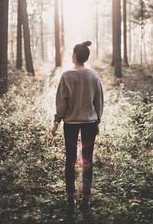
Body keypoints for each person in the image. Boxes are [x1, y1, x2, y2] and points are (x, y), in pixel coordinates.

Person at [51, 41, 103, 211]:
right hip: (89, 123)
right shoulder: (93, 75)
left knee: (71, 159)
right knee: (87, 159)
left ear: (74, 56)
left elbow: (62, 103)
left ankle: (70, 197)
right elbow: (99, 102)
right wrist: (98, 120)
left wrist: (56, 121)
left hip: (71, 124)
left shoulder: (67, 75)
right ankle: (86, 199)